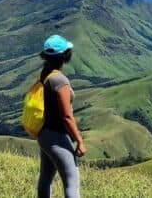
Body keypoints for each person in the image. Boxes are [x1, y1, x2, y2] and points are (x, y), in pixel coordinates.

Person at [37, 34, 87, 198]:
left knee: (45, 178)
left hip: (44, 134)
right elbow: (66, 115)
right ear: (64, 55)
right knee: (72, 183)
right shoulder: (60, 81)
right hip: (57, 137)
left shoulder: (46, 73)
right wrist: (79, 140)